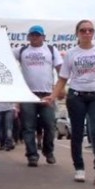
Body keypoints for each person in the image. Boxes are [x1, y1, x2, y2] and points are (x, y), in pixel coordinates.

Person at [44, 19, 95, 185]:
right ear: (77, 33)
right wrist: (53, 96)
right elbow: (62, 79)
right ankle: (79, 168)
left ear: (93, 33)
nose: (87, 33)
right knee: (76, 133)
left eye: (90, 30)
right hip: (76, 96)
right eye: (83, 30)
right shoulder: (71, 54)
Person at [13, 25, 63, 167]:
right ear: (28, 37)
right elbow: (4, 56)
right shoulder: (21, 51)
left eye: (38, 35)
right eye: (32, 35)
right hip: (27, 95)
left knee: (49, 125)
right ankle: (32, 155)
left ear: (43, 37)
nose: (35, 37)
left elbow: (61, 69)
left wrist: (61, 89)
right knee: (28, 127)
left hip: (47, 94)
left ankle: (48, 151)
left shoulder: (51, 50)